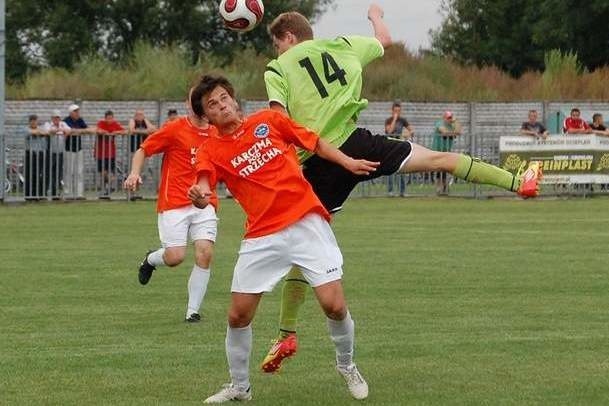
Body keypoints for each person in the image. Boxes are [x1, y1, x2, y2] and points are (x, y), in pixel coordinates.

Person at [260, 5, 543, 373]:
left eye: (277, 44)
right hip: (360, 145)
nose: (278, 51)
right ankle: (520, 183)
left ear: (289, 37)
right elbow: (385, 40)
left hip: (318, 164)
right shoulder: (344, 44)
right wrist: (375, 14)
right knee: (440, 159)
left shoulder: (277, 68)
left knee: (302, 252)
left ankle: (286, 333)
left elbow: (279, 120)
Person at [187, 75, 378, 403]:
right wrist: (200, 197)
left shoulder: (270, 120)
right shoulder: (211, 149)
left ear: (234, 99)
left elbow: (313, 142)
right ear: (206, 117)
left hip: (306, 223)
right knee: (238, 315)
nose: (221, 106)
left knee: (334, 306)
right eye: (212, 106)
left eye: (223, 99)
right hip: (262, 234)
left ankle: (347, 365)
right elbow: (204, 183)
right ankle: (239, 387)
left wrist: (347, 161)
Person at [124, 84, 218, 323]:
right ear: (188, 104)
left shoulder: (217, 131)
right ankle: (150, 260)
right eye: (194, 100)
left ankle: (192, 312)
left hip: (205, 202)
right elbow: (143, 150)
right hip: (175, 202)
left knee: (205, 253)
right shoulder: (175, 129)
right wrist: (134, 173)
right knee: (175, 257)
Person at [63, 104, 95, 199]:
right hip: (68, 149)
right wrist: (78, 131)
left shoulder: (80, 120)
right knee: (69, 171)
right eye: (75, 111)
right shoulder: (66, 121)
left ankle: (79, 193)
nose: (77, 113)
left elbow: (87, 129)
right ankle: (68, 193)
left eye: (78, 111)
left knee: (79, 172)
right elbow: (68, 131)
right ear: (71, 112)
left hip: (78, 149)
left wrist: (77, 131)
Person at [384, 100, 413, 196]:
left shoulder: (403, 120)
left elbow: (411, 131)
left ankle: (402, 191)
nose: (397, 113)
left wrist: (407, 135)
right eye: (395, 111)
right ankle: (390, 191)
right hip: (389, 146)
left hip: (399, 146)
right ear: (392, 111)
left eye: (399, 111)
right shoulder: (388, 120)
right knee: (390, 169)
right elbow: (389, 131)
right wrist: (395, 119)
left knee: (401, 168)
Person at [96, 110, 126, 199]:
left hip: (111, 153)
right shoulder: (101, 123)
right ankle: (109, 187)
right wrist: (104, 132)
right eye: (108, 118)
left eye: (111, 118)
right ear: (105, 118)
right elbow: (97, 130)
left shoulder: (115, 124)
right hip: (100, 153)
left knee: (110, 172)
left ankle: (108, 189)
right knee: (103, 173)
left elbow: (124, 131)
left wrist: (115, 132)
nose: (110, 120)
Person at [127, 110, 157, 200]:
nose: (139, 116)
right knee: (133, 172)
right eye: (138, 114)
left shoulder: (145, 121)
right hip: (134, 151)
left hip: (144, 152)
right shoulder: (132, 121)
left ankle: (136, 192)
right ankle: (131, 193)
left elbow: (153, 130)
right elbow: (131, 130)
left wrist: (145, 123)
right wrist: (145, 132)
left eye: (141, 115)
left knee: (142, 172)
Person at [42, 110, 71, 199]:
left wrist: (60, 130)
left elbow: (69, 130)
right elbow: (48, 131)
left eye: (58, 117)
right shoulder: (47, 124)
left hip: (60, 152)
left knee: (58, 173)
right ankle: (44, 192)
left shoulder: (63, 123)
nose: (56, 119)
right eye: (55, 117)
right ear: (52, 118)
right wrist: (60, 130)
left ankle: (55, 193)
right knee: (47, 173)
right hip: (50, 152)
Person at [432, 111, 462, 195]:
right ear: (444, 118)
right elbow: (443, 131)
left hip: (446, 151)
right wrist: (454, 133)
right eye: (448, 118)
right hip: (437, 150)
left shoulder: (452, 125)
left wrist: (456, 121)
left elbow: (459, 131)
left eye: (450, 117)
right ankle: (439, 188)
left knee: (445, 169)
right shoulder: (439, 123)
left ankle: (444, 188)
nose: (449, 119)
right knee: (438, 169)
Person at [24, 114, 49, 200]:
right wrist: (40, 132)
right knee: (30, 175)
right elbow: (33, 132)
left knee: (40, 174)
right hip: (30, 154)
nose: (34, 122)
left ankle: (40, 194)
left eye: (35, 120)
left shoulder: (40, 128)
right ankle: (29, 195)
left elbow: (47, 132)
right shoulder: (26, 129)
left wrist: (41, 132)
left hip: (40, 154)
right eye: (32, 120)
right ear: (29, 122)